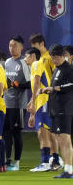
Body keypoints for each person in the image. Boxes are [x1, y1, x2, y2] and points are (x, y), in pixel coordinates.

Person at [29, 33, 62, 170]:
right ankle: (54, 159)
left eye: (35, 46)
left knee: (47, 131)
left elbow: (56, 77)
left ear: (41, 44)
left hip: (48, 98)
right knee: (49, 130)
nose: (34, 49)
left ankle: (51, 160)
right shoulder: (41, 59)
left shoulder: (49, 58)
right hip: (45, 98)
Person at [42, 44, 73, 179]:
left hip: (64, 109)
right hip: (55, 109)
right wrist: (48, 89)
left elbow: (71, 85)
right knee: (60, 140)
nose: (53, 60)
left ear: (62, 56)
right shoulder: (57, 69)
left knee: (65, 139)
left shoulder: (69, 69)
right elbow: (54, 87)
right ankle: (67, 169)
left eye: (55, 58)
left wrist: (55, 88)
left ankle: (69, 170)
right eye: (52, 57)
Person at [4, 36, 31, 171]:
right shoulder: (7, 62)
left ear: (21, 47)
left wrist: (15, 84)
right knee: (5, 133)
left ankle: (17, 162)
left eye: (15, 45)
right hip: (6, 104)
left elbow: (30, 83)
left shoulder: (24, 63)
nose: (12, 48)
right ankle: (7, 159)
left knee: (16, 133)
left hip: (18, 105)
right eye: (10, 45)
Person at [24, 48, 53, 172]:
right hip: (42, 102)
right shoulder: (36, 65)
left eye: (26, 56)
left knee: (43, 133)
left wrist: (32, 102)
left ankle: (46, 162)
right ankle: (52, 160)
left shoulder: (36, 64)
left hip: (43, 101)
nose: (24, 59)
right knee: (44, 133)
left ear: (32, 56)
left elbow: (36, 83)